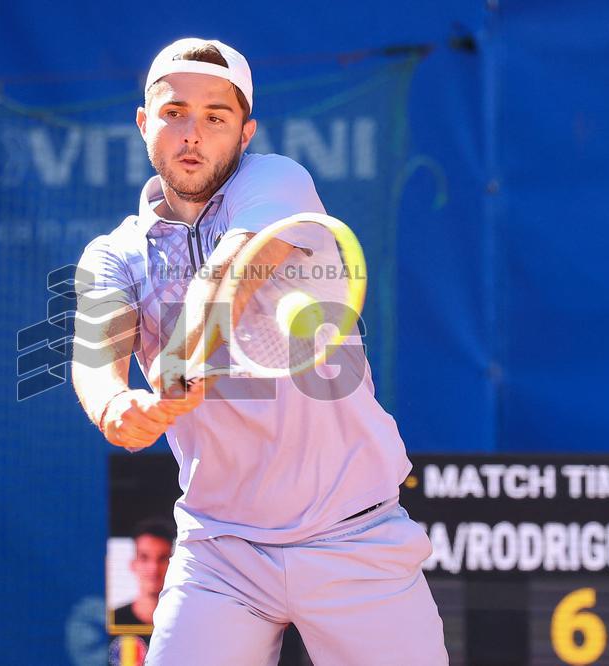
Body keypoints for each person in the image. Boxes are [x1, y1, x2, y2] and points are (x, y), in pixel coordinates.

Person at [72, 37, 448, 665]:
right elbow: (95, 358)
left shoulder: (278, 181)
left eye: (215, 117)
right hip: (219, 551)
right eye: (174, 114)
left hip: (353, 533)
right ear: (144, 123)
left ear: (246, 133)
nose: (193, 133)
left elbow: (231, 274)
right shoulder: (112, 255)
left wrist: (177, 364)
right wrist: (116, 407)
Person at [111, 519, 175, 632]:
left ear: (173, 565)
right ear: (133, 564)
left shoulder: (187, 620)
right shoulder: (113, 620)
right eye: (144, 558)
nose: (154, 568)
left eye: (162, 558)